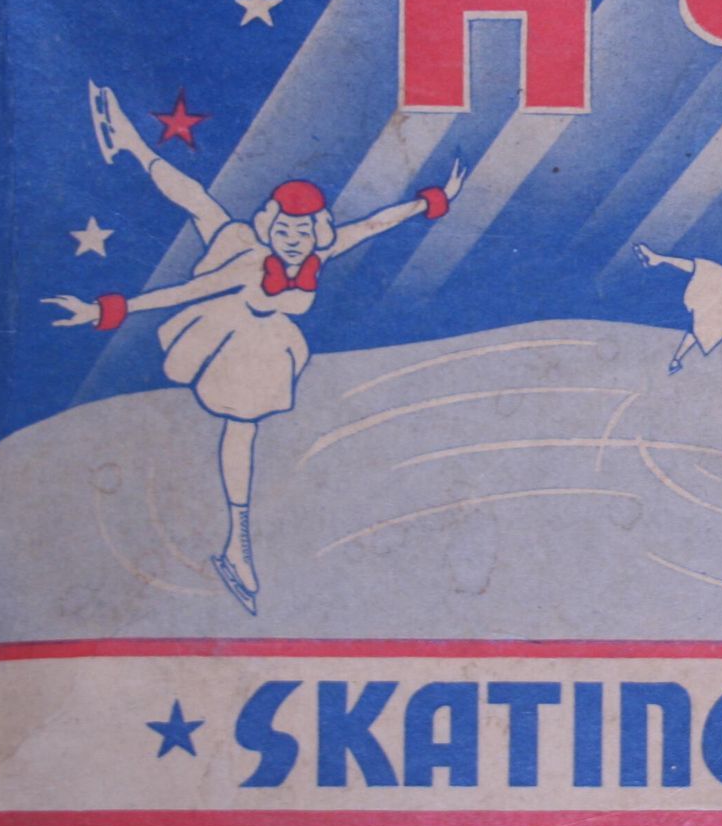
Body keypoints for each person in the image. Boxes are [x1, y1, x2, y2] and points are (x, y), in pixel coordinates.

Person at [43, 83, 464, 615]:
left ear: (316, 231)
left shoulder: (320, 251)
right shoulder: (250, 263)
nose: (293, 238)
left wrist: (431, 201)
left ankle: (237, 545)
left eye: (302, 231)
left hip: (266, 339)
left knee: (202, 206)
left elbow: (371, 225)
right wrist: (103, 310)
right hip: (230, 320)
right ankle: (238, 543)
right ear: (270, 224)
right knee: (202, 210)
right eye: (284, 228)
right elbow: (183, 293)